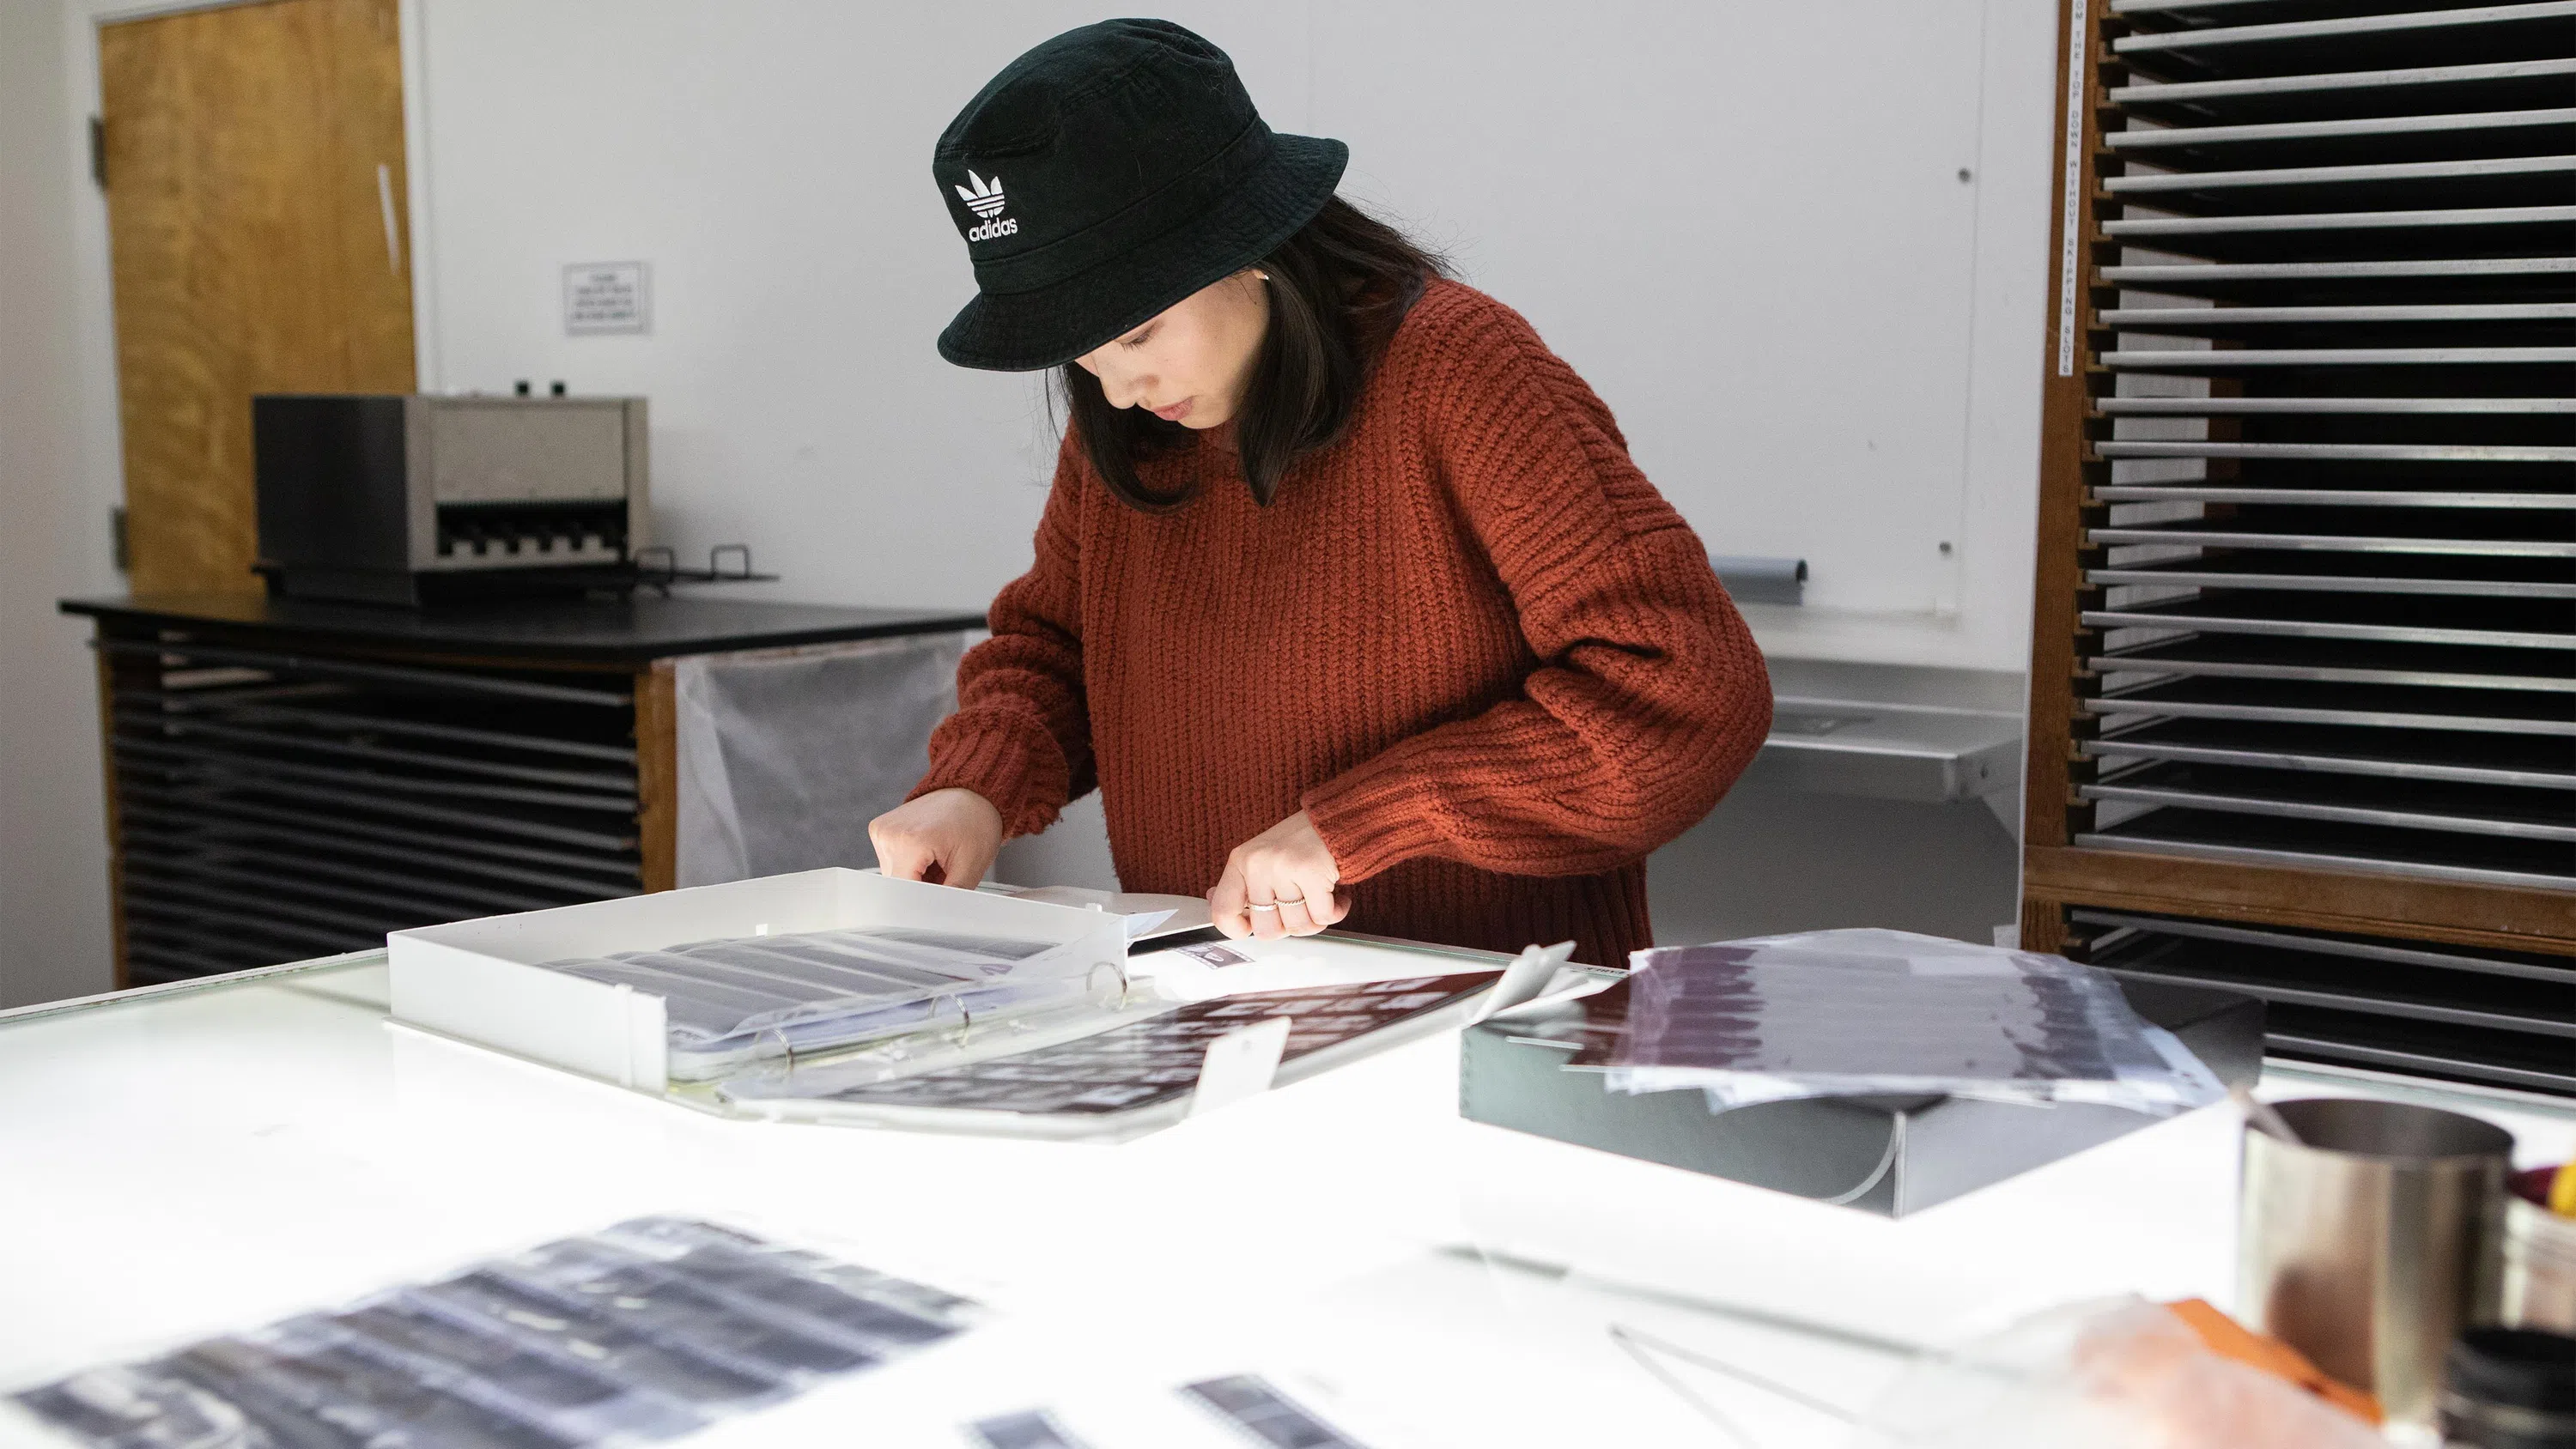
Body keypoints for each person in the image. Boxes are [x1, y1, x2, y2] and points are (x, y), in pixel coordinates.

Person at [868, 19, 1771, 967]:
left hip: (1480, 1022)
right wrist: (973, 787)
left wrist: (1360, 822)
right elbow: (1057, 650)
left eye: (1136, 334)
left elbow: (1687, 694)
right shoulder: (1132, 424)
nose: (1117, 387)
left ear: (1249, 242)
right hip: (1209, 1011)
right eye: (1080, 355)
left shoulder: (1460, 370)